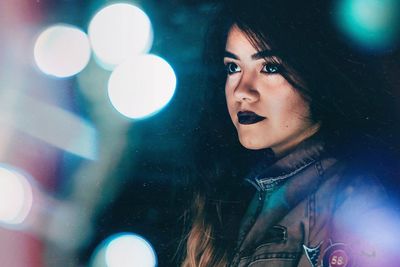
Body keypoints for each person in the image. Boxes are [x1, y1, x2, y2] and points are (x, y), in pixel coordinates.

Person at [178, 1, 400, 266]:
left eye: (270, 67)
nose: (241, 91)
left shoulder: (351, 200)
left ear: (317, 75)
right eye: (233, 67)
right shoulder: (237, 194)